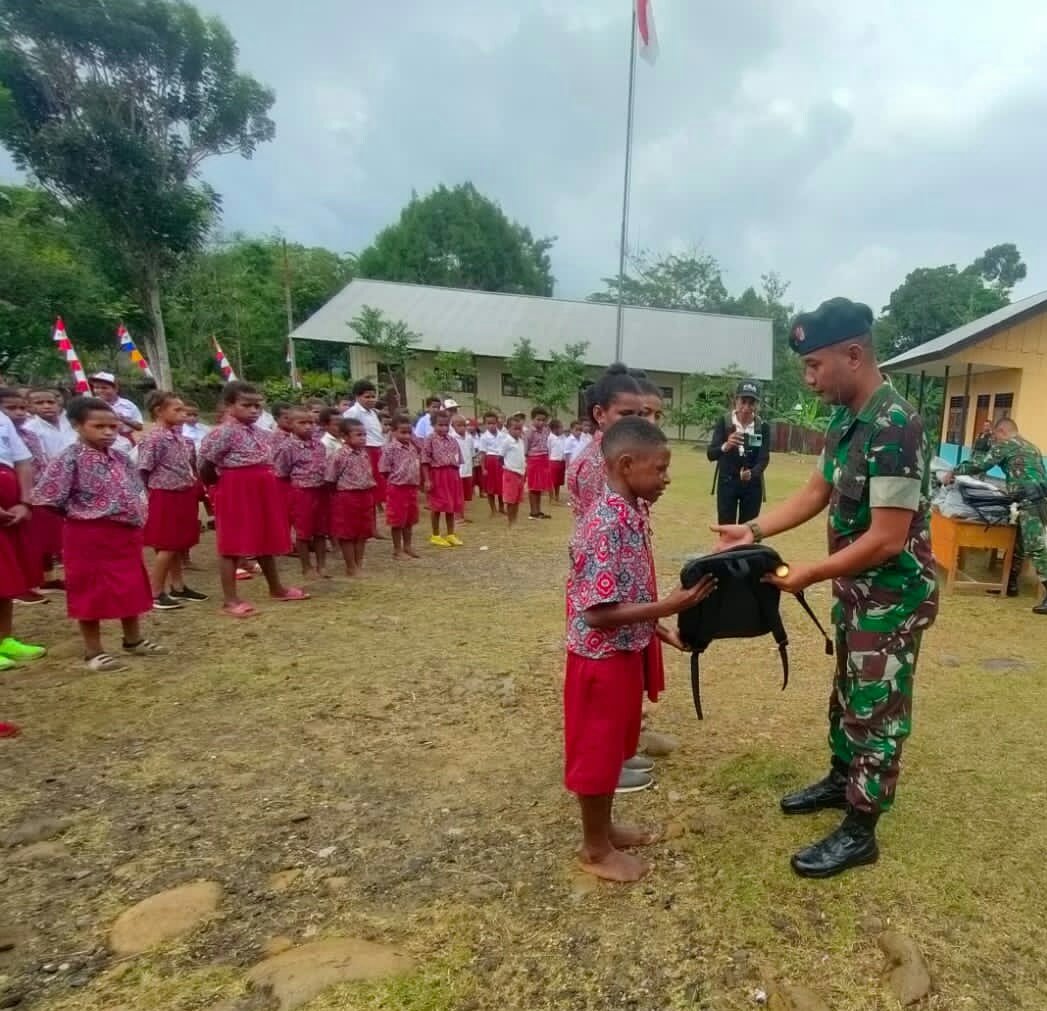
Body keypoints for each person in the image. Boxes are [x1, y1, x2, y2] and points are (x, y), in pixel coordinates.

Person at [712, 297, 939, 878]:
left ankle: (862, 828)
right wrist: (753, 529)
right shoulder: (846, 419)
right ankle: (843, 781)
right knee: (846, 692)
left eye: (815, 367)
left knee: (877, 708)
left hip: (890, 599)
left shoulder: (895, 425)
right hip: (856, 592)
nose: (809, 380)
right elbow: (816, 493)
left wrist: (810, 572)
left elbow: (888, 539)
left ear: (854, 355)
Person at [565, 417, 716, 882]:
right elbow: (597, 612)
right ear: (627, 465)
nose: (667, 478)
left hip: (624, 652)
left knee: (614, 748)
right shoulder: (606, 524)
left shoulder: (633, 513)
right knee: (597, 752)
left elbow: (626, 593)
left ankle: (604, 828)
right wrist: (670, 604)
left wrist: (660, 627)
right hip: (599, 659)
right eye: (660, 469)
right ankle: (594, 849)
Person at [32, 396, 167, 672]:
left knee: (129, 584)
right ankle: (94, 651)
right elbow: (48, 497)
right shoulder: (69, 458)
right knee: (90, 588)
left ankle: (133, 639)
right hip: (88, 534)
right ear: (77, 426)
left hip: (124, 534)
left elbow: (136, 489)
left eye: (112, 426)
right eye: (98, 426)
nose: (107, 432)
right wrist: (82, 517)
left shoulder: (120, 457)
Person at [198, 382, 309, 617]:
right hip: (236, 488)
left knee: (264, 538)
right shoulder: (222, 432)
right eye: (246, 405)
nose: (254, 410)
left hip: (262, 488)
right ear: (229, 405)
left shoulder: (261, 433)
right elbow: (206, 464)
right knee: (232, 543)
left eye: (258, 405)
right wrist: (220, 487)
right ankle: (230, 599)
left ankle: (276, 588)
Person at [944, 417, 1047, 610]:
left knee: (1035, 547)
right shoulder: (1032, 447)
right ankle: (1011, 585)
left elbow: (982, 464)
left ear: (1002, 431)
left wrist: (954, 471)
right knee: (1019, 543)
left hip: (1030, 500)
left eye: (995, 435)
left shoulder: (1006, 444)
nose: (994, 440)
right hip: (1039, 500)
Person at [138, 392, 208, 610]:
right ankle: (155, 592)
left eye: (183, 409)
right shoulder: (154, 438)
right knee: (167, 545)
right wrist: (150, 495)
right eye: (176, 410)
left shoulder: (178, 436)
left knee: (177, 543)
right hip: (165, 494)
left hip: (182, 493)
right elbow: (143, 469)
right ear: (159, 411)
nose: (183, 414)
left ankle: (178, 586)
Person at [0, 388, 63, 603]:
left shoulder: (27, 434)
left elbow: (28, 462)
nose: (18, 413)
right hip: (13, 496)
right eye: (11, 408)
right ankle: (20, 585)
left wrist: (28, 498)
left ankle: (40, 579)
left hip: (31, 494)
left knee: (41, 539)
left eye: (21, 408)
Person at [0, 401, 47, 676]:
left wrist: (25, 501)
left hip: (11, 509)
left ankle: (5, 638)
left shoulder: (3, 419)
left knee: (5, 579)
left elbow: (22, 460)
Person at [567, 364, 644, 521]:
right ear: (600, 414)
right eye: (626, 414)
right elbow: (601, 531)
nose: (635, 422)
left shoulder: (619, 454)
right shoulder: (594, 464)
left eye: (639, 414)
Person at [273, 407, 331, 580]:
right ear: (291, 425)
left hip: (320, 491)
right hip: (300, 493)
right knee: (303, 532)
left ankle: (322, 565)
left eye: (311, 423)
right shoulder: (287, 447)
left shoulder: (319, 445)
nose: (308, 426)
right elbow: (282, 472)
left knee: (321, 530)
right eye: (302, 423)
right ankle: (307, 567)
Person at [707, 380, 772, 525]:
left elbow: (763, 458)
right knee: (726, 529)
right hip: (727, 483)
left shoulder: (762, 427)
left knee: (748, 532)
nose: (746, 407)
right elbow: (711, 454)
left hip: (752, 486)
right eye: (743, 401)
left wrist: (752, 473)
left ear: (757, 405)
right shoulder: (725, 423)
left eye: (751, 403)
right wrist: (726, 445)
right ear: (735, 401)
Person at [327, 418, 375, 576]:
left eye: (364, 434)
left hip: (365, 494)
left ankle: (358, 563)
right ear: (345, 437)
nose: (362, 438)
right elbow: (331, 478)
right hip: (347, 496)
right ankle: (350, 566)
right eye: (358, 435)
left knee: (362, 532)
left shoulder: (364, 453)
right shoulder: (340, 455)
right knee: (347, 533)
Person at [343, 380, 387, 519]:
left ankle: (373, 525)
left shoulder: (373, 413)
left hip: (377, 449)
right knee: (368, 485)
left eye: (373, 396)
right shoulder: (353, 412)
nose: (371, 399)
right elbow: (347, 432)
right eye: (367, 397)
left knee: (376, 486)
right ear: (357, 396)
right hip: (365, 451)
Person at [380, 416, 422, 560]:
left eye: (409, 433)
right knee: (397, 520)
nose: (407, 436)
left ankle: (408, 546)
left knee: (409, 519)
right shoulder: (390, 449)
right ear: (393, 432)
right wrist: (395, 480)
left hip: (411, 487)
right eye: (402, 432)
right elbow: (384, 470)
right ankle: (397, 550)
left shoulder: (412, 447)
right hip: (397, 488)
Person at [421, 411, 464, 547]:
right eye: (440, 425)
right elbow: (425, 461)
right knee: (437, 506)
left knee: (451, 505)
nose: (444, 428)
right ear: (433, 425)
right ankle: (436, 535)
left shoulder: (453, 440)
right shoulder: (429, 439)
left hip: (452, 476)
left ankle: (450, 534)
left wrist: (457, 477)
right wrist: (427, 480)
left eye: (446, 425)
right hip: (437, 475)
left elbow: (457, 460)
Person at [88, 372, 143, 450]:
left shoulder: (128, 405)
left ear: (116, 388)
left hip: (125, 444)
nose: (99, 391)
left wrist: (123, 419)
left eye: (104, 388)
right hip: (100, 444)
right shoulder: (91, 405)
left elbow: (139, 426)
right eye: (96, 387)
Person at [25, 387, 77, 457]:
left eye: (51, 402)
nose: (47, 406)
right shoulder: (29, 429)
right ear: (29, 406)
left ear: (58, 404)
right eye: (39, 403)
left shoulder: (74, 419)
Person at [525, 407, 553, 520]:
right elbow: (526, 448)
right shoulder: (529, 432)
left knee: (539, 487)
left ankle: (538, 510)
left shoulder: (546, 430)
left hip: (544, 459)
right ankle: (533, 512)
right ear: (533, 419)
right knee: (533, 487)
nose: (541, 422)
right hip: (533, 460)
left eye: (543, 420)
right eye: (538, 419)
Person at [478, 411, 506, 516]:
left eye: (493, 423)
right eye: (488, 423)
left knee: (501, 486)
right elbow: (482, 453)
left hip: (500, 462)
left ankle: (502, 508)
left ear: (497, 423)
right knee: (490, 487)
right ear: (485, 424)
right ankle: (493, 509)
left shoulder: (503, 435)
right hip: (489, 462)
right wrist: (483, 468)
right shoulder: (484, 437)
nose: (491, 425)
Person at [501, 416, 526, 526]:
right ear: (508, 429)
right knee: (510, 499)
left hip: (520, 473)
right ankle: (510, 521)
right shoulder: (506, 441)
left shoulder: (520, 441)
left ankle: (515, 520)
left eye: (519, 429)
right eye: (515, 428)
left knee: (517, 499)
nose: (517, 431)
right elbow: (500, 457)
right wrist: (507, 467)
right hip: (510, 473)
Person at [450, 414, 475, 523]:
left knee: (464, 495)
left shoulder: (469, 438)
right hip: (457, 471)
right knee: (457, 495)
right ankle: (456, 516)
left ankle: (462, 515)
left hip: (468, 470)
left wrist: (472, 469)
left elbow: (471, 453)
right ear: (453, 426)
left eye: (464, 425)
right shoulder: (451, 438)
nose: (462, 428)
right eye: (459, 425)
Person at [548, 418, 566, 504]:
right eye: (560, 427)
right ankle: (551, 497)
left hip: (561, 461)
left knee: (558, 481)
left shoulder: (563, 437)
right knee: (552, 481)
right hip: (553, 461)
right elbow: (549, 449)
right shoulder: (550, 438)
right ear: (555, 429)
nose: (562, 429)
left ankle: (557, 496)